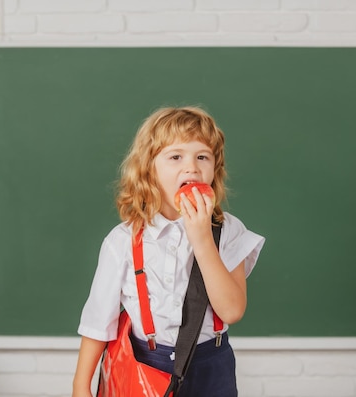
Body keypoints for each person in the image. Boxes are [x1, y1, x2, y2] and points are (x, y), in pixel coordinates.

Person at [72, 106, 265, 397]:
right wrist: (80, 386)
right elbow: (99, 321)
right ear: (149, 169)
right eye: (176, 157)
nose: (191, 168)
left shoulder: (228, 230)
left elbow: (232, 310)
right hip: (147, 365)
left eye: (202, 156)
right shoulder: (123, 240)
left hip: (211, 365)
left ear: (215, 169)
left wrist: (201, 239)